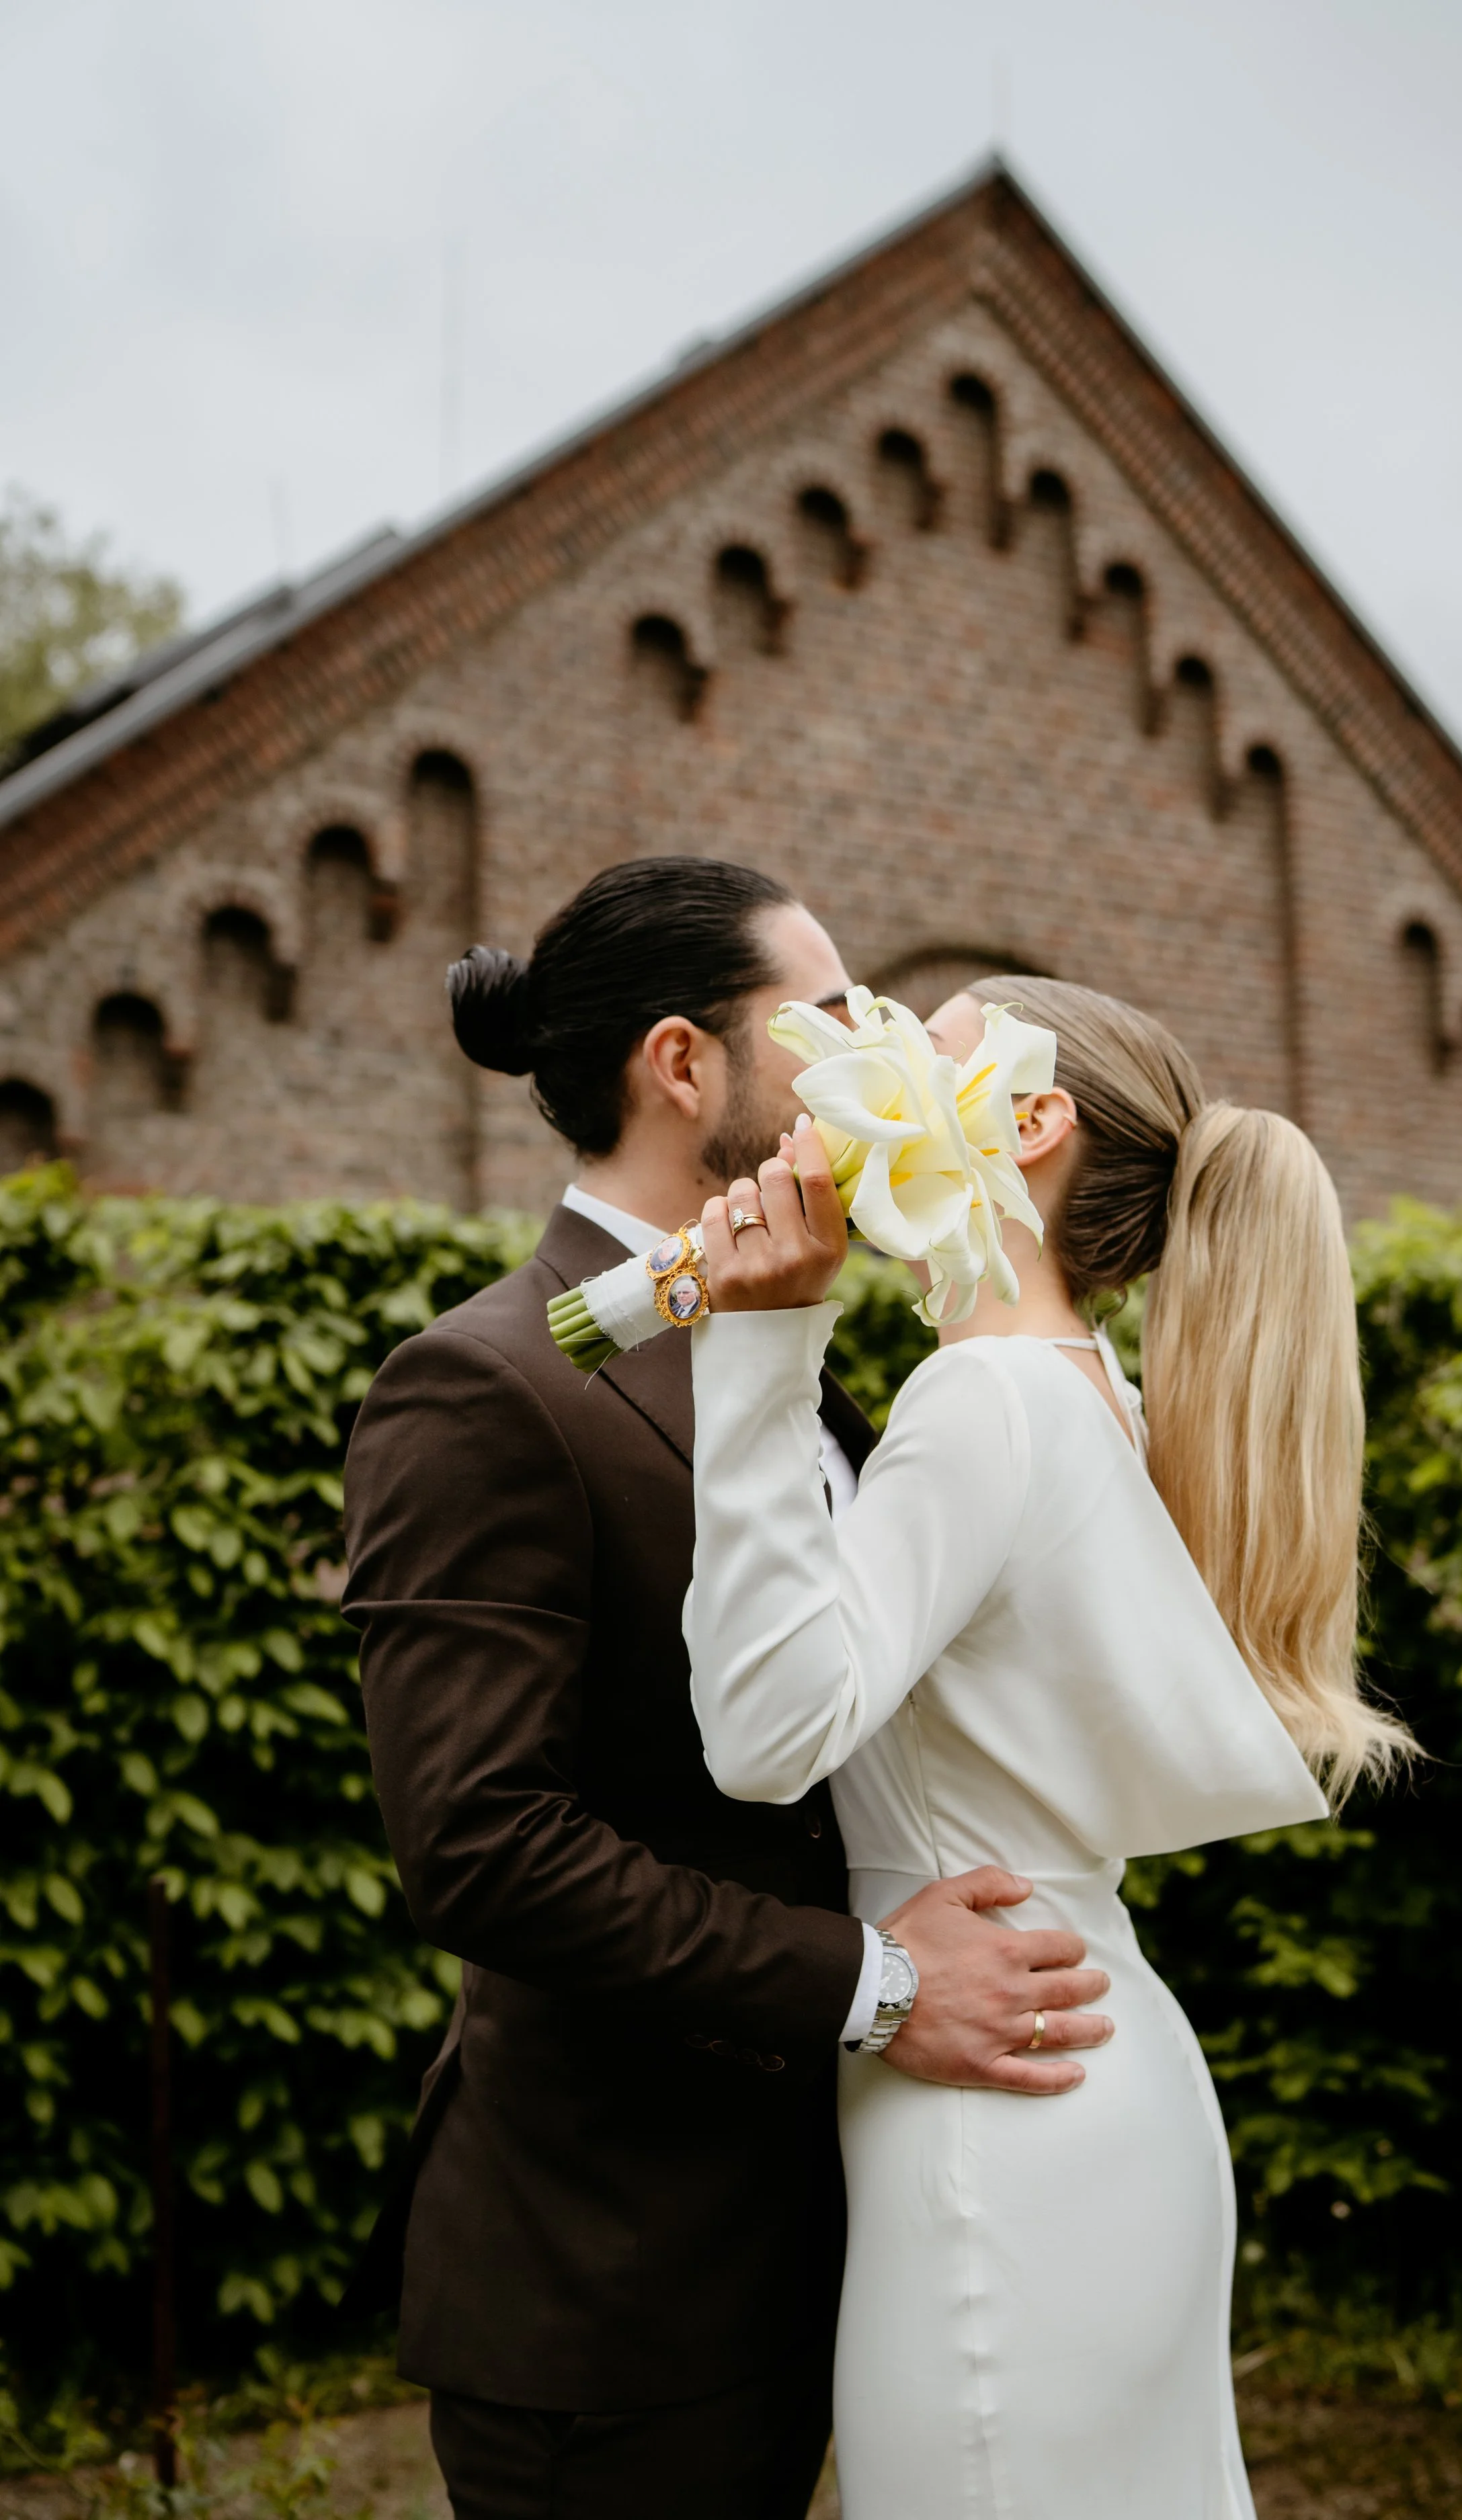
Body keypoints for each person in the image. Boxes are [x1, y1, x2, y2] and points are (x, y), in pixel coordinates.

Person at [340, 865, 1112, 2520]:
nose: (865, 1049)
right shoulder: (482, 1386)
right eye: (826, 1018)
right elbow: (480, 1846)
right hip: (612, 2290)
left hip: (832, 2246)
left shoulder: (796, 1358)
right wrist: (881, 1983)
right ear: (682, 1064)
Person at [684, 976, 1416, 2520]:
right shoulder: (1097, 1396)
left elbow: (762, 1732)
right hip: (1095, 2069)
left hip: (995, 2117)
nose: (860, 1070)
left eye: (919, 1049)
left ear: (1026, 1123)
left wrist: (760, 1344)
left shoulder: (984, 1399)